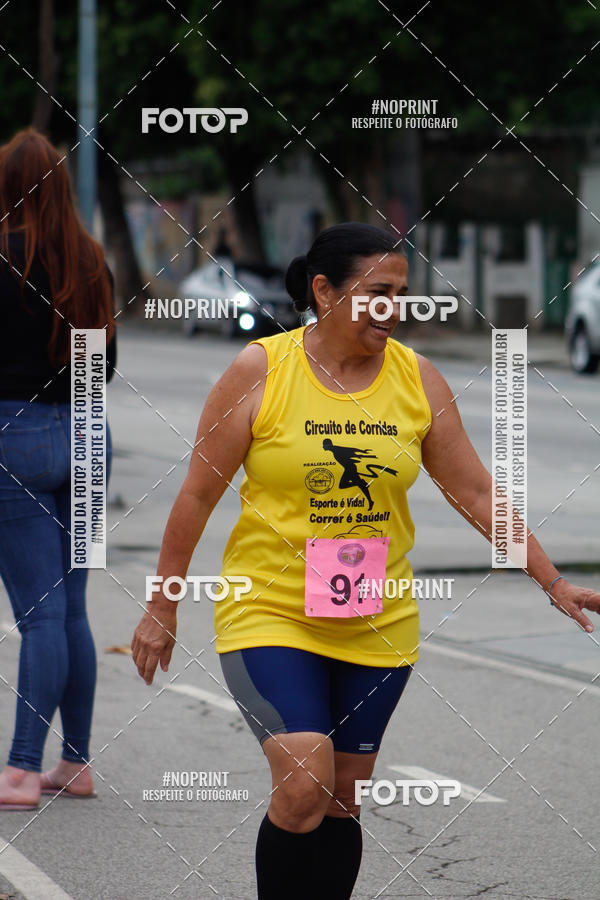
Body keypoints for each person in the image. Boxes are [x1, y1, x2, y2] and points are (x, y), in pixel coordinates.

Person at [131, 222, 600, 898]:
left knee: (342, 798)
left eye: (403, 293)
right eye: (378, 292)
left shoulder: (418, 379)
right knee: (304, 780)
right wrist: (161, 604)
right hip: (269, 608)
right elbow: (198, 494)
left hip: (377, 621)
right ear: (324, 291)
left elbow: (472, 491)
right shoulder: (261, 370)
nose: (396, 308)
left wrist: (551, 579)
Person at [0, 128, 116, 809]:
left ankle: (17, 771)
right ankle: (74, 763)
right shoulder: (93, 259)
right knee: (70, 611)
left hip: (12, 435)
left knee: (40, 617)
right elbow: (102, 369)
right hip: (86, 431)